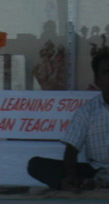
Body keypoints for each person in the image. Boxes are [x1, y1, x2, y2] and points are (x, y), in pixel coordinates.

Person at [27, 51, 109, 191]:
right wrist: (71, 175)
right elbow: (71, 149)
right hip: (95, 169)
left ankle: (92, 183)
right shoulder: (87, 111)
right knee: (35, 164)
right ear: (97, 79)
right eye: (106, 72)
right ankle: (78, 183)